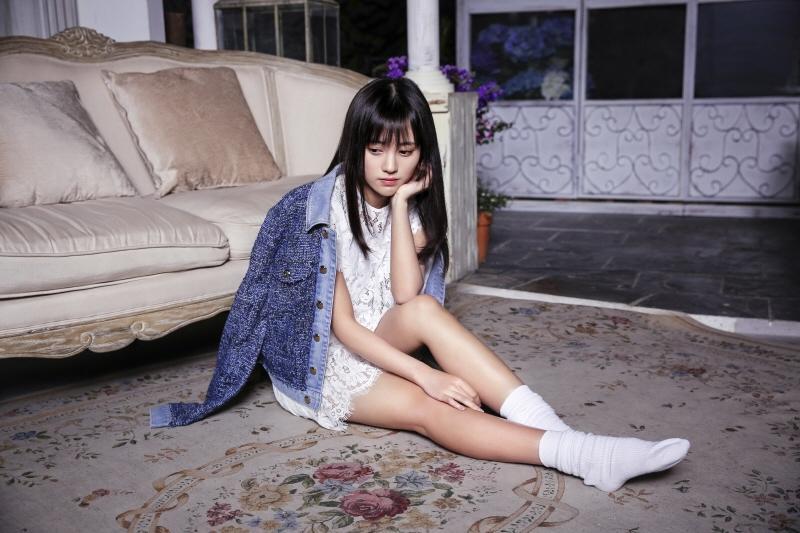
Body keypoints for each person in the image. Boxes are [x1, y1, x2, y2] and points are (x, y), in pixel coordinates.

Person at [150, 77, 689, 493]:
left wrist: (402, 204)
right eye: (376, 149)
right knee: (432, 409)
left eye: (405, 151)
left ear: (422, 154)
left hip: (384, 332)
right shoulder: (318, 213)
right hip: (328, 358)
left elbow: (408, 297)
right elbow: (343, 329)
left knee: (428, 310)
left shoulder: (411, 202)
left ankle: (567, 438)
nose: (390, 166)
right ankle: (583, 455)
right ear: (355, 146)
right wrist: (425, 377)